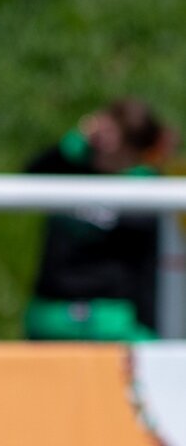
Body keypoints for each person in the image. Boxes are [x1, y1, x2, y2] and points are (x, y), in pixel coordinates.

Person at [25, 98, 176, 341]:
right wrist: (69, 146)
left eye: (111, 130)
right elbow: (28, 179)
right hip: (51, 311)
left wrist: (149, 328)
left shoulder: (147, 190)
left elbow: (151, 266)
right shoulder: (68, 168)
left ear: (129, 145)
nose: (99, 134)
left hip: (114, 320)